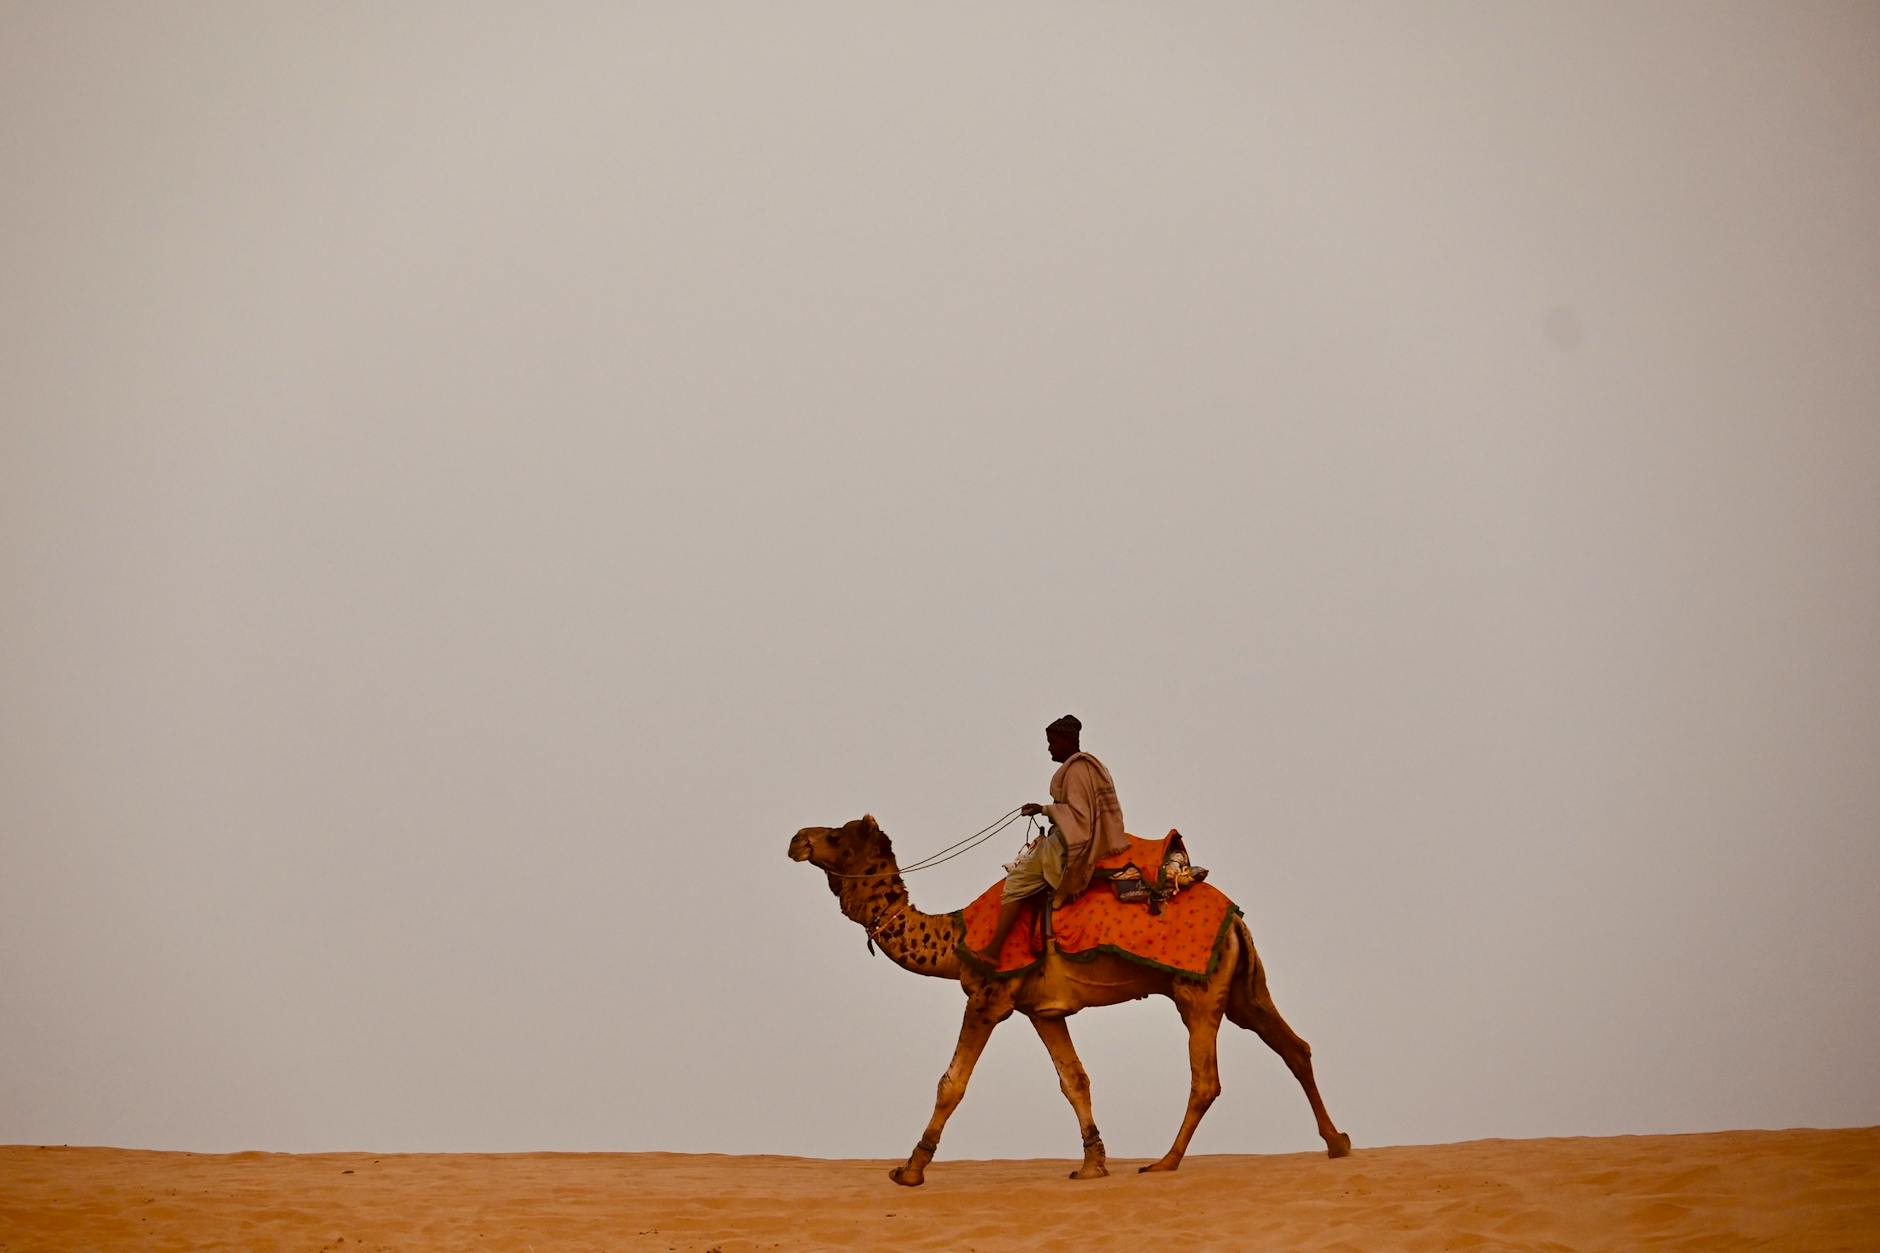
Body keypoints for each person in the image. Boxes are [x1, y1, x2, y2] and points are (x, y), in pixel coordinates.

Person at [973, 714, 1130, 966]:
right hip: (1068, 836)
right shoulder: (1082, 768)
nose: (1049, 748)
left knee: (1017, 880)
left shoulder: (1077, 770)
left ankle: (993, 951)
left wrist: (1044, 809)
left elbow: (1079, 815)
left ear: (1067, 741)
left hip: (1070, 844)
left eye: (1053, 742)